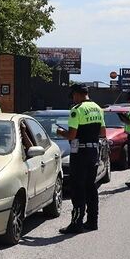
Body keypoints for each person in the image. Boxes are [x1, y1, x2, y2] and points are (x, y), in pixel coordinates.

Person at [56, 83, 106, 234]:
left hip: (80, 153)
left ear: (77, 94)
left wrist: (60, 133)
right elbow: (103, 133)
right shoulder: (98, 108)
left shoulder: (76, 110)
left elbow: (71, 135)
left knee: (78, 188)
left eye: (73, 95)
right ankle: (92, 221)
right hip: (93, 152)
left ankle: (76, 223)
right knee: (91, 187)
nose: (73, 98)